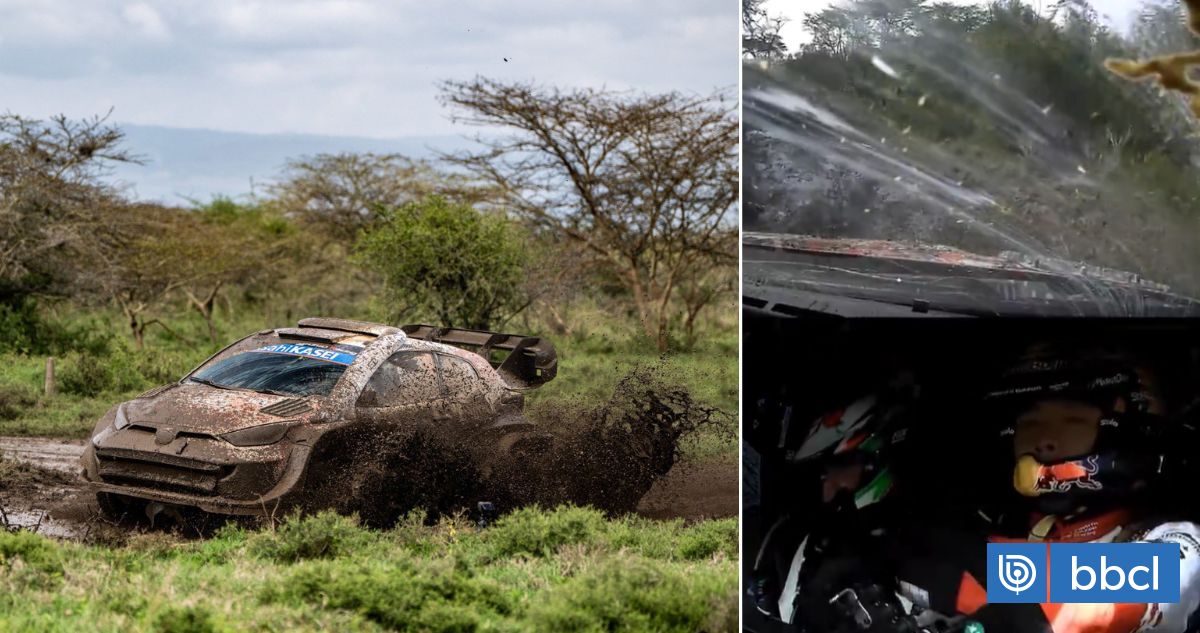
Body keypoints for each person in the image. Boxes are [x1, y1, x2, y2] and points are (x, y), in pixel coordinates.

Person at [894, 345, 1200, 633]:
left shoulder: (1180, 542)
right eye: (1030, 421)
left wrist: (976, 570)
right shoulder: (989, 525)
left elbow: (1092, 604)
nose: (1043, 440)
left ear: (1128, 430)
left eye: (1072, 419)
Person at [750, 379, 922, 631]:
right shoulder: (807, 538)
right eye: (823, 475)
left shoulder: (920, 531)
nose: (826, 486)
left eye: (834, 471)